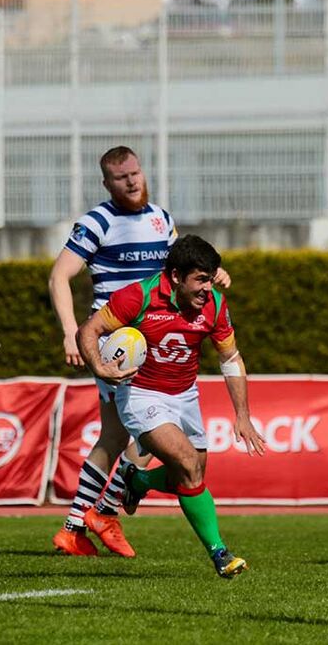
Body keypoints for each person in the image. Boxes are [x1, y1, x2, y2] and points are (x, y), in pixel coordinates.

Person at [77, 234, 265, 578]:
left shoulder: (215, 306)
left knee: (193, 474)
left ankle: (138, 480)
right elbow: (89, 330)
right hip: (140, 394)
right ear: (176, 277)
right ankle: (220, 553)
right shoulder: (139, 296)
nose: (208, 288)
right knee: (188, 464)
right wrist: (100, 367)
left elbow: (230, 358)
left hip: (185, 396)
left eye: (211, 279)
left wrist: (243, 415)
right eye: (201, 280)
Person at [49, 146, 180, 558]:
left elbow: (179, 271)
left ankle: (73, 528)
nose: (132, 181)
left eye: (136, 173)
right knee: (152, 428)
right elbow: (59, 276)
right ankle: (105, 510)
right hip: (118, 342)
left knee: (115, 434)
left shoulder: (162, 219)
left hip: (155, 339)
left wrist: (213, 274)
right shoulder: (97, 221)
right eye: (122, 177)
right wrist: (72, 332)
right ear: (107, 183)